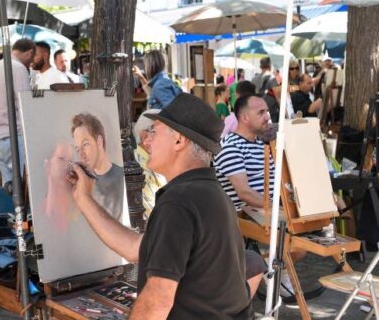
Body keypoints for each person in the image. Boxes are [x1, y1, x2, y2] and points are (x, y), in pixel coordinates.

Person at [68, 93, 260, 318]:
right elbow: (135, 248)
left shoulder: (179, 202)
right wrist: (83, 198)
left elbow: (157, 301)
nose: (146, 141)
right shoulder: (211, 192)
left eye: (153, 132)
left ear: (179, 140)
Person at [0, 38, 34, 186]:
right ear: (29, 53)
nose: (31, 63)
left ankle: (11, 209)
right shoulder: (18, 68)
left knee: (7, 184)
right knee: (22, 184)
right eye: (32, 59)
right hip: (14, 135)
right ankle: (20, 210)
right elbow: (25, 103)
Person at [214, 93, 275, 210]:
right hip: (247, 221)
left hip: (265, 217)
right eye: (261, 112)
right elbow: (244, 193)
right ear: (245, 118)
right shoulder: (230, 147)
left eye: (267, 111)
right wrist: (279, 210)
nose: (267, 117)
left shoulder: (259, 143)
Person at [71, 113, 125, 221]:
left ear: (99, 141)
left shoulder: (122, 177)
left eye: (85, 144)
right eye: (78, 149)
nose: (81, 154)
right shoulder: (83, 183)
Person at [132, 109, 167, 220]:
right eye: (164, 134)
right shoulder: (140, 169)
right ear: (145, 137)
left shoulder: (149, 161)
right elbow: (153, 219)